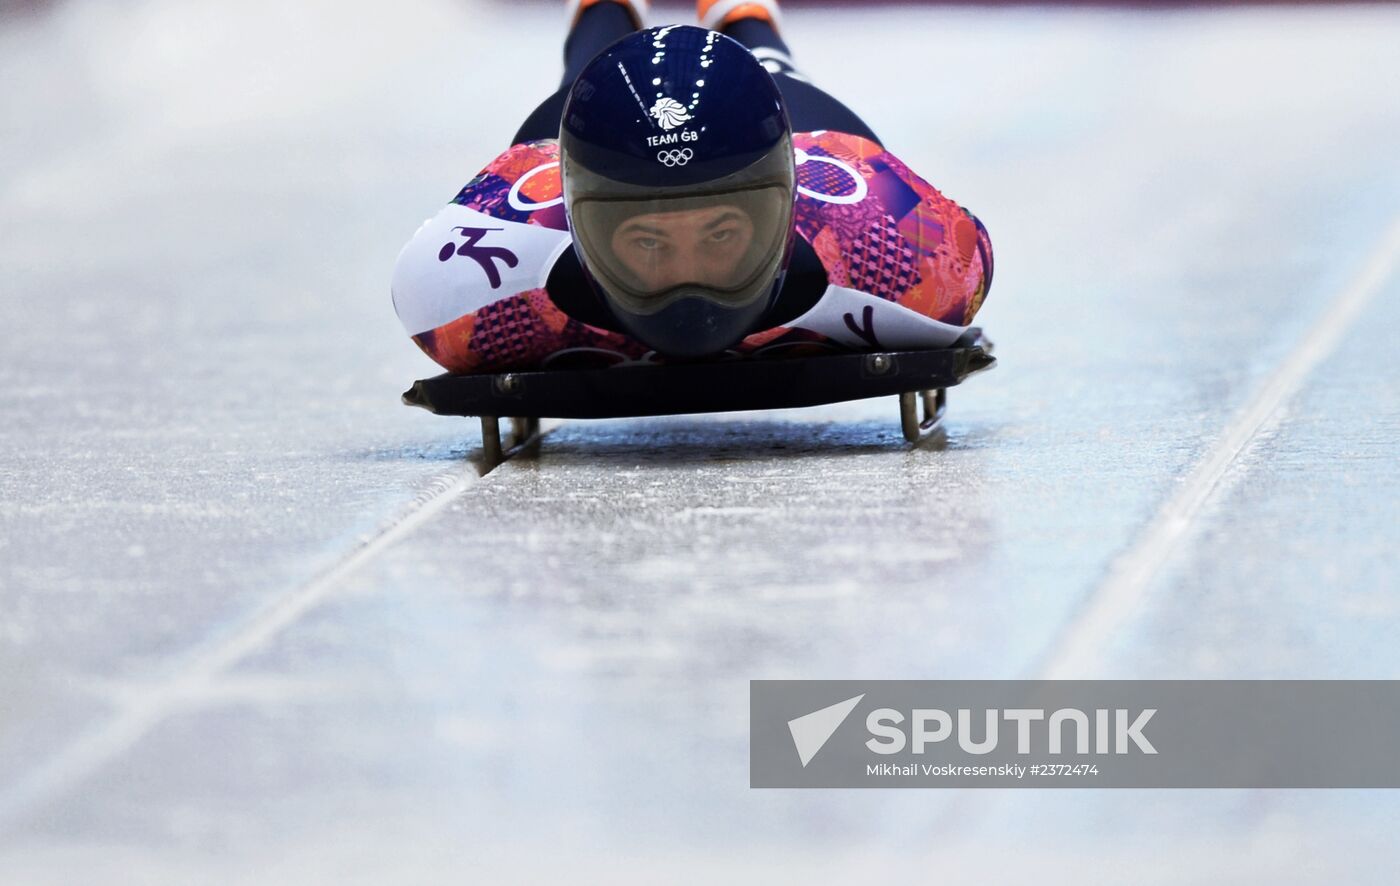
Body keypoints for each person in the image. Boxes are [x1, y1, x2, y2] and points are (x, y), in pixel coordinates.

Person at [391, 0, 993, 373]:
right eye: (649, 242)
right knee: (585, 83)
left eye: (721, 233)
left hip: (819, 180)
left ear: (786, 208)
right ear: (575, 220)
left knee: (761, 66)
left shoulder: (460, 306)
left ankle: (739, 16)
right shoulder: (919, 270)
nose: (689, 286)